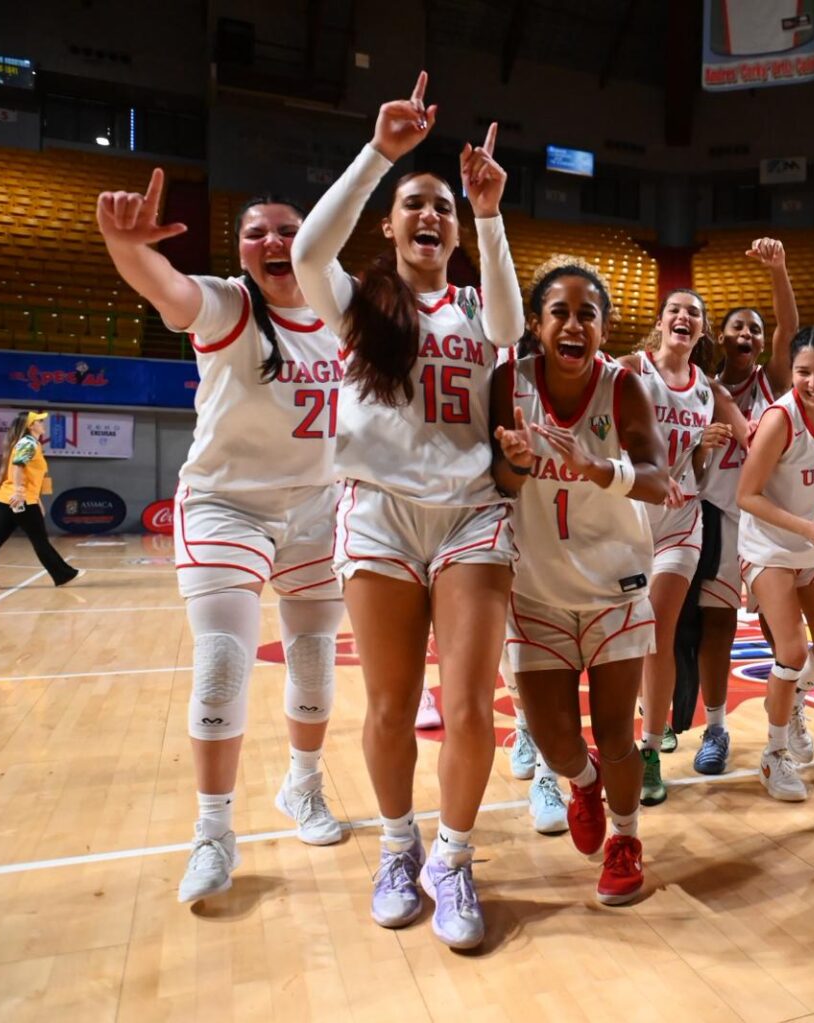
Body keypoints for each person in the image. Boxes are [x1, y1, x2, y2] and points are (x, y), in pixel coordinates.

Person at [292, 73, 522, 949]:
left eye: (443, 208)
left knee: (467, 706)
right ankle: (398, 845)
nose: (430, 215)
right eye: (413, 205)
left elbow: (508, 326)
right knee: (389, 707)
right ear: (389, 226)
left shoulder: (473, 302)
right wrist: (379, 156)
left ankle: (453, 858)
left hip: (470, 512)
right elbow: (309, 253)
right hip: (381, 512)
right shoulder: (355, 304)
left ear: (455, 231)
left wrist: (491, 213)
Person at [97, 171, 345, 904]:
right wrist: (123, 244)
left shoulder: (347, 309)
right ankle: (213, 830)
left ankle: (302, 789)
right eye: (256, 231)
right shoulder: (228, 304)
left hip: (318, 509)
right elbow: (166, 286)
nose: (273, 239)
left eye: (289, 228)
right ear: (240, 253)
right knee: (223, 661)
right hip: (226, 506)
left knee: (311, 658)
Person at [492, 256, 670, 905]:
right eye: (559, 312)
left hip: (614, 584)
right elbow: (498, 481)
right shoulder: (508, 381)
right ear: (536, 325)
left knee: (619, 732)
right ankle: (583, 781)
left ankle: (625, 838)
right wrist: (513, 466)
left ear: (604, 324)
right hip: (535, 586)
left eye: (586, 313)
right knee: (557, 740)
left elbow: (659, 479)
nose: (573, 324)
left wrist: (598, 466)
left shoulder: (622, 386)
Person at [621, 289, 747, 805]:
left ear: (701, 332)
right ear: (662, 321)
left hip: (680, 517)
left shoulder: (709, 391)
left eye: (693, 313)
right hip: (626, 514)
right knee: (621, 633)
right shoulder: (629, 368)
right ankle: (618, 739)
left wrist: (704, 452)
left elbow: (741, 443)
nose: (683, 317)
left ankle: (649, 749)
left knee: (657, 628)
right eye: (675, 309)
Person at [737, 326, 814, 801]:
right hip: (772, 546)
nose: (813, 383)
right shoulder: (779, 420)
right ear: (791, 372)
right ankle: (773, 756)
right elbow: (746, 495)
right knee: (790, 652)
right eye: (803, 373)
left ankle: (794, 700)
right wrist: (809, 528)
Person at [692, 238, 798, 775]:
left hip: (768, 517)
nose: (748, 335)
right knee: (717, 626)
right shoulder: (700, 387)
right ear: (720, 337)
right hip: (716, 515)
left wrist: (778, 272)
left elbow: (788, 330)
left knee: (784, 630)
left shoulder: (775, 381)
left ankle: (791, 715)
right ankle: (715, 727)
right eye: (738, 327)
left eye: (755, 330)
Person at [0, 410, 80, 587]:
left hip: (11, 498)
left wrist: (37, 500)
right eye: (40, 421)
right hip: (19, 500)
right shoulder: (28, 443)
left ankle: (64, 574)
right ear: (31, 426)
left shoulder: (30, 443)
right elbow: (18, 467)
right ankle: (63, 574)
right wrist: (18, 492)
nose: (43, 424)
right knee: (39, 539)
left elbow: (31, 476)